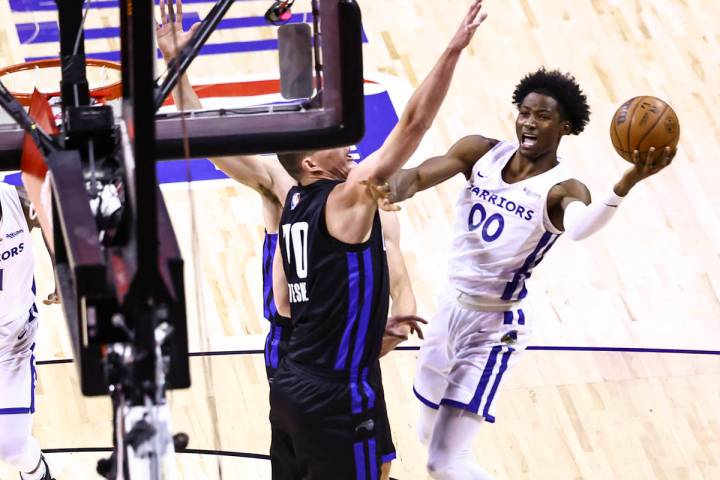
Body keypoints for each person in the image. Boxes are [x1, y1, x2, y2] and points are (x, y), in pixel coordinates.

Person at [154, 1, 427, 477]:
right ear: (308, 160)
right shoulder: (283, 187)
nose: (345, 137)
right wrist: (178, 68)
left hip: (349, 351)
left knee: (381, 465)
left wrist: (399, 308)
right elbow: (211, 145)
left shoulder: (354, 194)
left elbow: (390, 252)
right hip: (299, 352)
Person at [386, 67, 675, 479]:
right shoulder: (480, 152)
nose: (529, 122)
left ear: (565, 126)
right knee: (427, 435)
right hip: (448, 309)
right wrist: (390, 188)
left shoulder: (564, 189)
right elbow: (416, 175)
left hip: (494, 325)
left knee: (443, 461)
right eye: (524, 112)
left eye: (542, 116)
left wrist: (625, 183)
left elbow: (578, 227)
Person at [268, 2, 488, 478]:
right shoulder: (345, 200)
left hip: (292, 382)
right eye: (333, 138)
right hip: (337, 394)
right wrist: (452, 50)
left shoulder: (292, 208)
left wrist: (359, 335)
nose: (348, 140)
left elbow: (286, 302)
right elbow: (413, 126)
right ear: (310, 164)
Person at [0, 182, 55, 480]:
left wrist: (61, 271)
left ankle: (39, 475)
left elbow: (52, 218)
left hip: (13, 345)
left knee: (14, 450)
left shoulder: (17, 200)